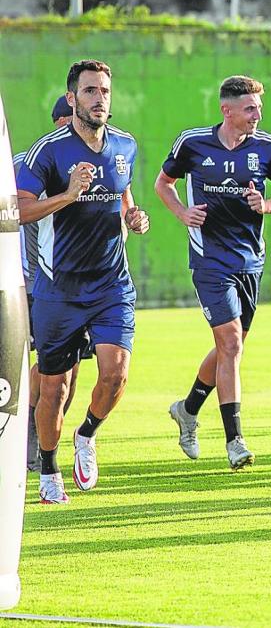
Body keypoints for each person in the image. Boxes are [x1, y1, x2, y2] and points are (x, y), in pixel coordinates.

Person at [16, 60, 150, 503]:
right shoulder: (47, 151)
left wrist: (134, 216)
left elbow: (124, 196)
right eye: (90, 91)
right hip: (59, 288)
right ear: (72, 98)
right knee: (54, 386)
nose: (99, 99)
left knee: (116, 373)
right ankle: (48, 469)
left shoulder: (125, 145)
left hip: (112, 284)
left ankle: (87, 434)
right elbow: (19, 210)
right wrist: (68, 195)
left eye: (105, 91)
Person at [157, 75, 271, 469]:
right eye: (250, 109)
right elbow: (163, 184)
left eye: (259, 108)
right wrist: (182, 213)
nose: (258, 115)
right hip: (209, 260)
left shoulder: (267, 147)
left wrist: (266, 205)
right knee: (232, 344)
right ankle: (235, 441)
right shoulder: (192, 143)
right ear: (227, 110)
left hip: (250, 261)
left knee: (229, 348)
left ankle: (188, 409)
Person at [17, 97, 75, 472]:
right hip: (29, 283)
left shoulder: (98, 163)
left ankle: (41, 437)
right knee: (39, 366)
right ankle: (27, 436)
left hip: (74, 286)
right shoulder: (27, 164)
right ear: (60, 122)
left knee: (68, 372)